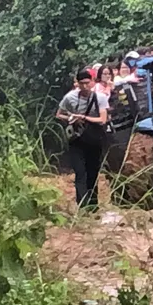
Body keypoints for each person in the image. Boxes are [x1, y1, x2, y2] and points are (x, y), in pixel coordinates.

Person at [56, 70, 110, 209]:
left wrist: (84, 118)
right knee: (80, 172)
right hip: (77, 139)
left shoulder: (100, 98)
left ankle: (93, 205)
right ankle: (82, 205)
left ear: (92, 82)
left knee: (93, 172)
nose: (85, 86)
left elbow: (102, 119)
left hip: (94, 138)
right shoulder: (70, 98)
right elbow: (59, 114)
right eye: (82, 84)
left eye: (88, 83)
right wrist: (71, 118)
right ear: (78, 84)